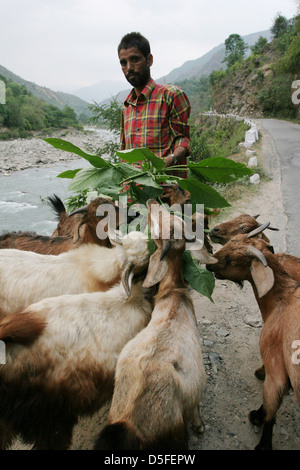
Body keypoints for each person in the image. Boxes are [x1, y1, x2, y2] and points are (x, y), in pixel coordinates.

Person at [117, 32, 191, 177]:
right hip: (135, 194)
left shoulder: (171, 96)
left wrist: (170, 160)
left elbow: (182, 139)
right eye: (123, 63)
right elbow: (124, 154)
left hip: (167, 192)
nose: (129, 67)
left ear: (149, 60)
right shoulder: (126, 107)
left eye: (135, 59)